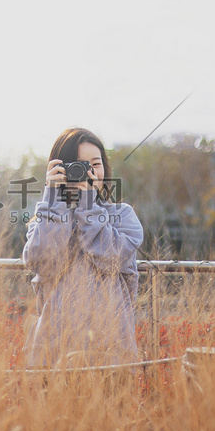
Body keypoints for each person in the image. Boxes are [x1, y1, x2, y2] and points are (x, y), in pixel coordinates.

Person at [22, 127, 144, 369]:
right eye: (78, 165)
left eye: (95, 164)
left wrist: (88, 204)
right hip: (53, 350)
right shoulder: (42, 219)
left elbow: (107, 258)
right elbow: (41, 262)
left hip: (111, 349)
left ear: (105, 169)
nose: (88, 172)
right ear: (59, 169)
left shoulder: (122, 215)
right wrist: (53, 199)